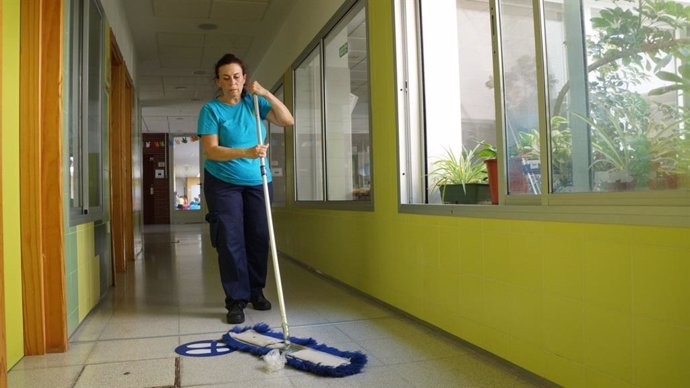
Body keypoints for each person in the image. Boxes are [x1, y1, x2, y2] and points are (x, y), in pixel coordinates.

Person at [197, 53, 294, 324]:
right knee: (231, 240)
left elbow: (287, 120)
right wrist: (246, 152)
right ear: (218, 81)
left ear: (244, 79)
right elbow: (211, 151)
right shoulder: (211, 110)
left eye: (237, 77)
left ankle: (255, 291)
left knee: (260, 237)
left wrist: (266, 93)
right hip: (223, 183)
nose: (232, 83)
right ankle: (236, 300)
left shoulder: (255, 103)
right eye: (226, 78)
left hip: (258, 182)